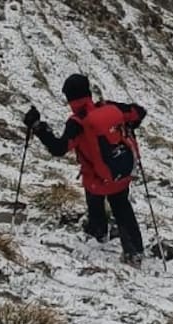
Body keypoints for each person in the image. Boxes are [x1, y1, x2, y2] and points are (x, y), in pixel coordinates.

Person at [23, 74, 148, 268]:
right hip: (121, 172)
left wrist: (38, 128)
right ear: (88, 91)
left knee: (94, 197)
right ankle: (134, 251)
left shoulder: (78, 122)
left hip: (97, 179)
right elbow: (139, 112)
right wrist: (129, 126)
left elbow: (59, 148)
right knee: (121, 205)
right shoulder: (110, 107)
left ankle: (98, 234)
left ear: (70, 98)